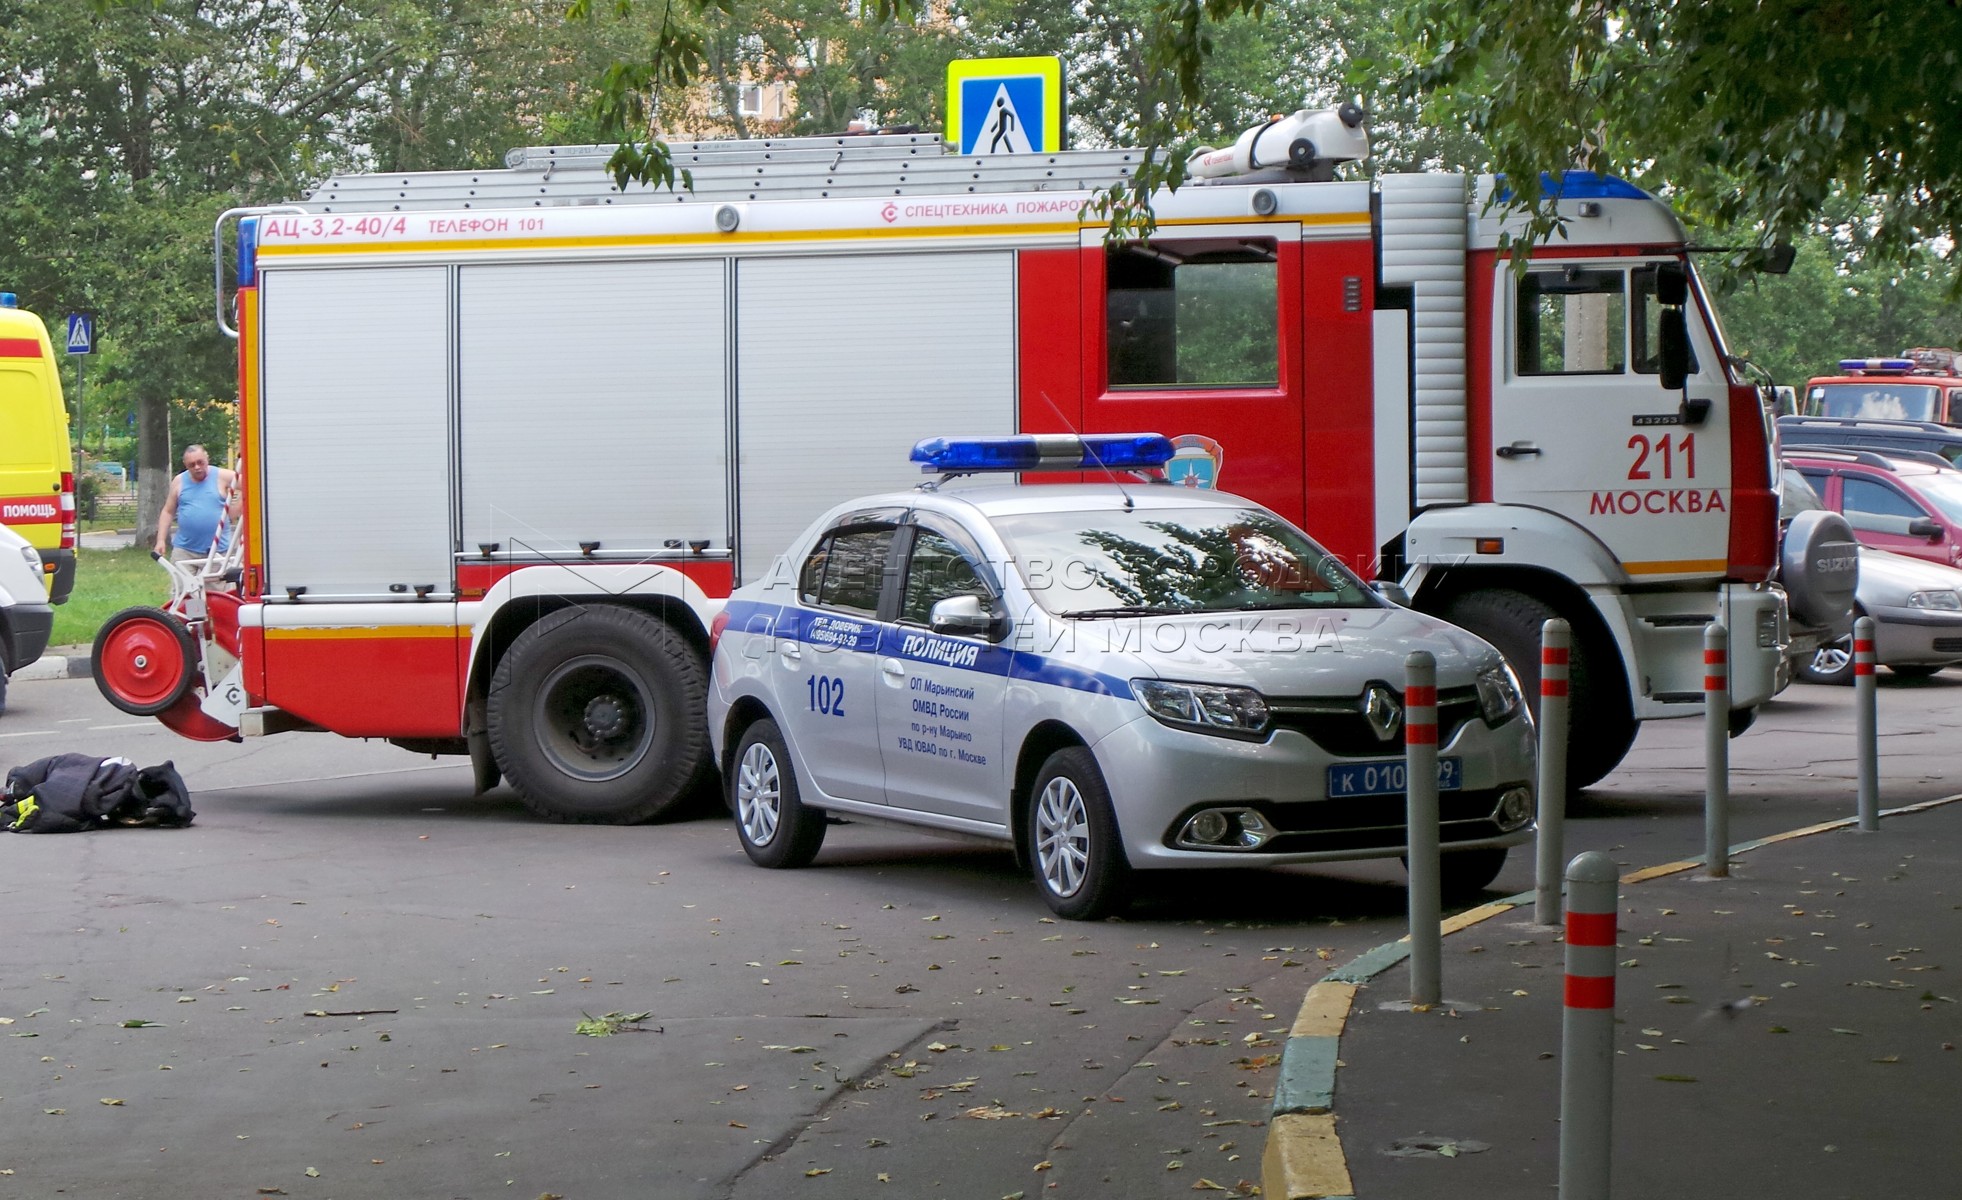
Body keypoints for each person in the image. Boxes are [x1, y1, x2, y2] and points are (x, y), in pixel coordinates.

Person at [154, 444, 239, 565]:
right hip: (184, 550)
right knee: (182, 583)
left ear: (207, 458)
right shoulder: (179, 481)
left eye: (200, 462)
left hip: (216, 550)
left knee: (214, 584)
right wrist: (161, 540)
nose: (197, 467)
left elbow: (251, 486)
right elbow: (168, 511)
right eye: (191, 465)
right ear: (185, 464)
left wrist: (234, 511)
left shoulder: (222, 476)